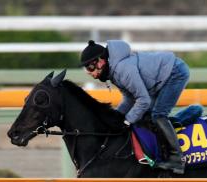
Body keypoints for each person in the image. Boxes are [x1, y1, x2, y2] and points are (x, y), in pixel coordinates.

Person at [80, 40, 189, 174]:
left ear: (101, 61)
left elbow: (143, 100)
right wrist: (116, 117)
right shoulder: (114, 71)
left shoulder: (122, 70)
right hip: (163, 76)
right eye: (86, 69)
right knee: (147, 115)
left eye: (90, 67)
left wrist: (127, 121)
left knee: (158, 114)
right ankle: (162, 151)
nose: (89, 72)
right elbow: (129, 98)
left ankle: (176, 159)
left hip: (175, 72)